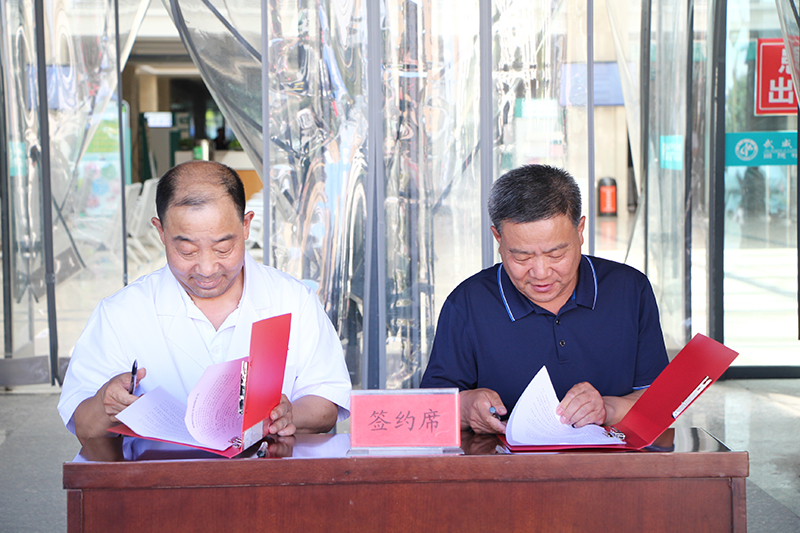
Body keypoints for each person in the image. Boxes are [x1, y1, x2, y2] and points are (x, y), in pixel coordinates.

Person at [58, 160, 352, 445]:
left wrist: (290, 415)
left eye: (223, 248)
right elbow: (83, 424)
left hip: (267, 475)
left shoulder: (292, 300)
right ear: (161, 232)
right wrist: (104, 404)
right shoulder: (121, 313)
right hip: (158, 477)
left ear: (246, 225)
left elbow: (327, 400)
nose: (207, 268)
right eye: (187, 251)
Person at [420, 164, 668, 434]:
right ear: (498, 238)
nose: (541, 273)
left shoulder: (629, 290)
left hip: (611, 460)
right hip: (503, 460)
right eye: (522, 257)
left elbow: (663, 401)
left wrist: (607, 409)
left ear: (580, 231)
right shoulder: (467, 304)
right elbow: (429, 410)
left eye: (556, 255)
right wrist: (466, 408)